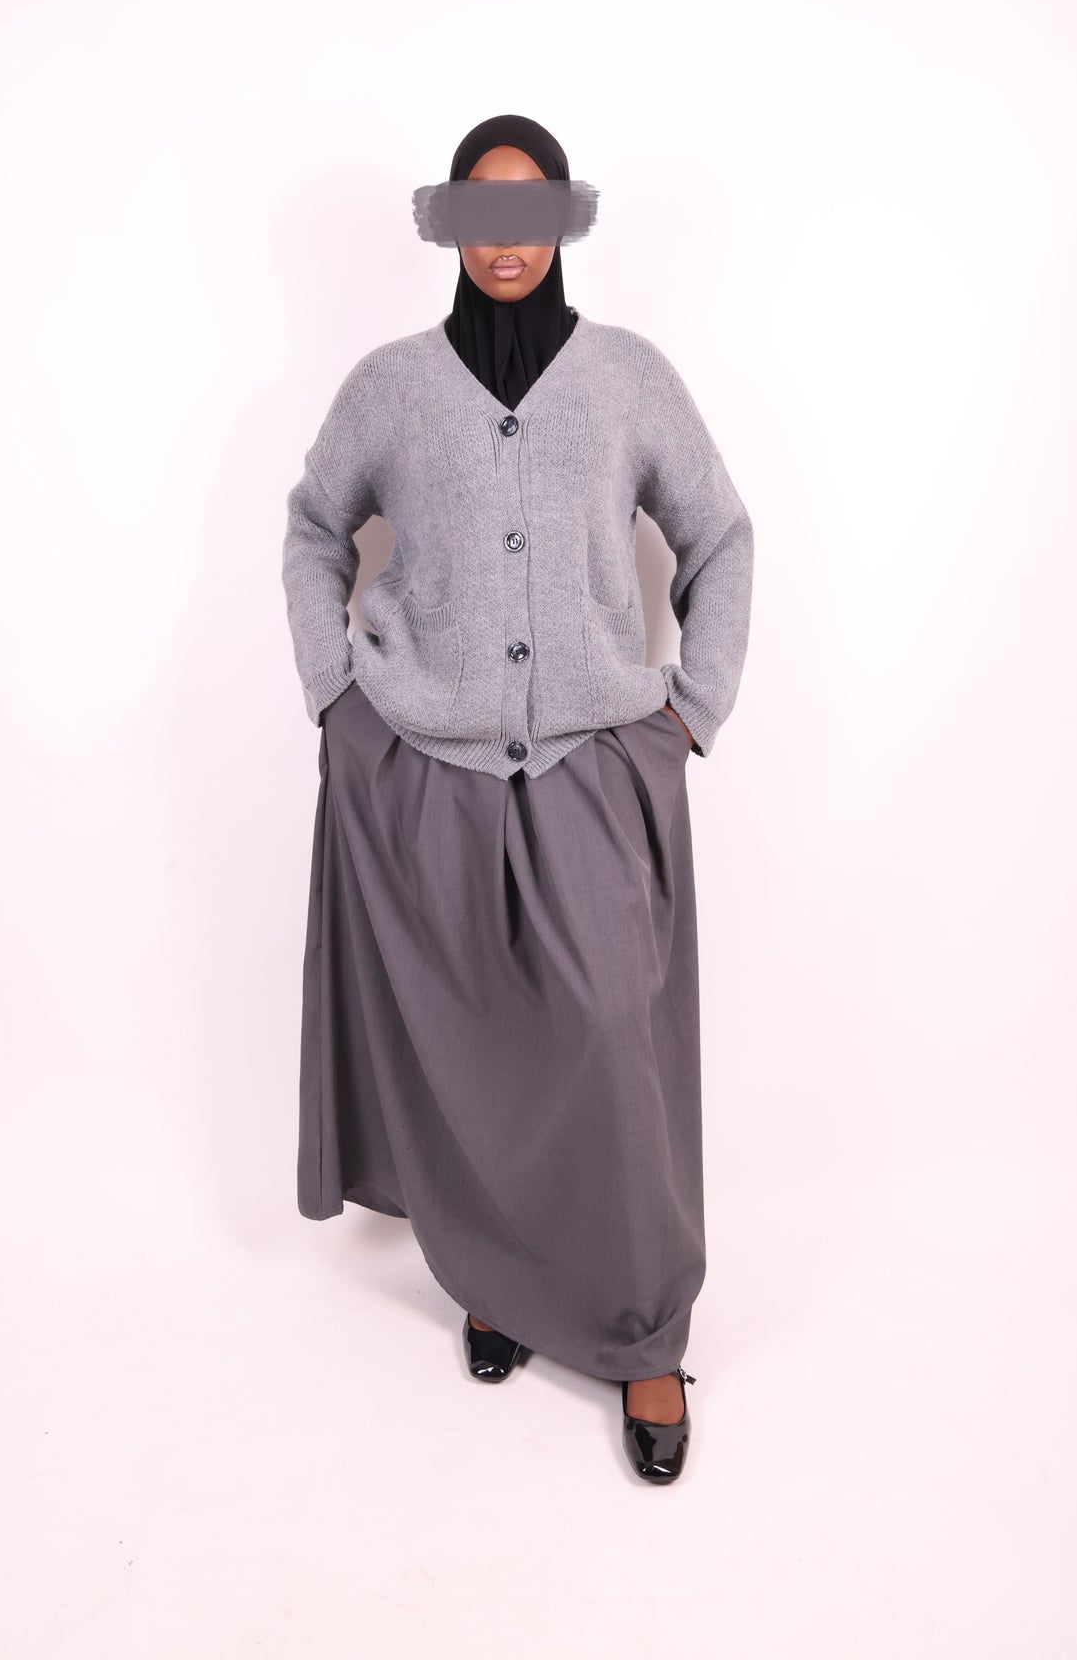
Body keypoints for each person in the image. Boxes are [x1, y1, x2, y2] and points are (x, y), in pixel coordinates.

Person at [281, 113, 754, 1483]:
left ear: (563, 221)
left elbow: (720, 536)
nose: (507, 238)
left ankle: (646, 1333)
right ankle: (497, 1283)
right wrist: (336, 693)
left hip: (593, 765)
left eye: (531, 209)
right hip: (425, 771)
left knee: (611, 1042)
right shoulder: (388, 388)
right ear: (448, 224)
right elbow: (314, 530)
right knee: (474, 1052)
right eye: (482, 211)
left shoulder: (628, 379)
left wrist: (691, 709)